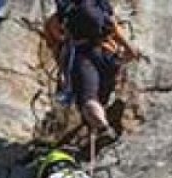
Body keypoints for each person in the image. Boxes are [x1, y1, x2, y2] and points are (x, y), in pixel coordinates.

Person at [43, 0, 141, 140]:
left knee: (89, 99)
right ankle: (101, 116)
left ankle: (103, 129)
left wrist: (64, 72)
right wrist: (129, 48)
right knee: (105, 91)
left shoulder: (58, 17)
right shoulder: (98, 4)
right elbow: (113, 25)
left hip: (82, 56)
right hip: (107, 53)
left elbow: (56, 46)